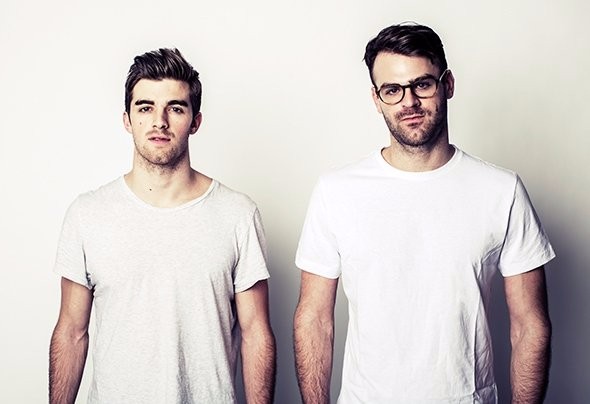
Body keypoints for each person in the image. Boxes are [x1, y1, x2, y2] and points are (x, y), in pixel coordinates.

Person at [293, 23, 554, 404]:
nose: (409, 102)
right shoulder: (336, 192)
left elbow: (530, 325)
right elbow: (314, 320)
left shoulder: (501, 190)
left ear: (448, 84)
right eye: (392, 90)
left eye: (423, 84)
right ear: (376, 98)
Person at [49, 48, 276, 404]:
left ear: (195, 121)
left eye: (176, 108)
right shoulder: (87, 214)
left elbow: (255, 333)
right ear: (127, 119)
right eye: (145, 108)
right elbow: (71, 332)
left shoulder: (237, 214)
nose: (160, 121)